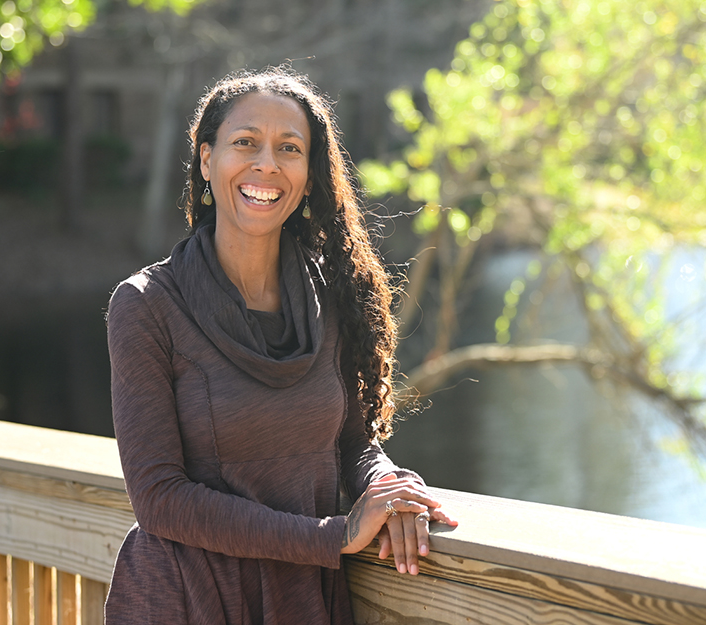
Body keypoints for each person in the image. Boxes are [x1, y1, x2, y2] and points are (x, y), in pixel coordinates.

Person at [104, 66, 457, 624]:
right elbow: (159, 498)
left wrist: (388, 485)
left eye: (288, 148)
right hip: (188, 598)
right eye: (245, 142)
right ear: (205, 160)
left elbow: (348, 444)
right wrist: (334, 534)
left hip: (303, 599)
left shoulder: (329, 299)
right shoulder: (146, 305)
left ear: (310, 175)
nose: (266, 163)